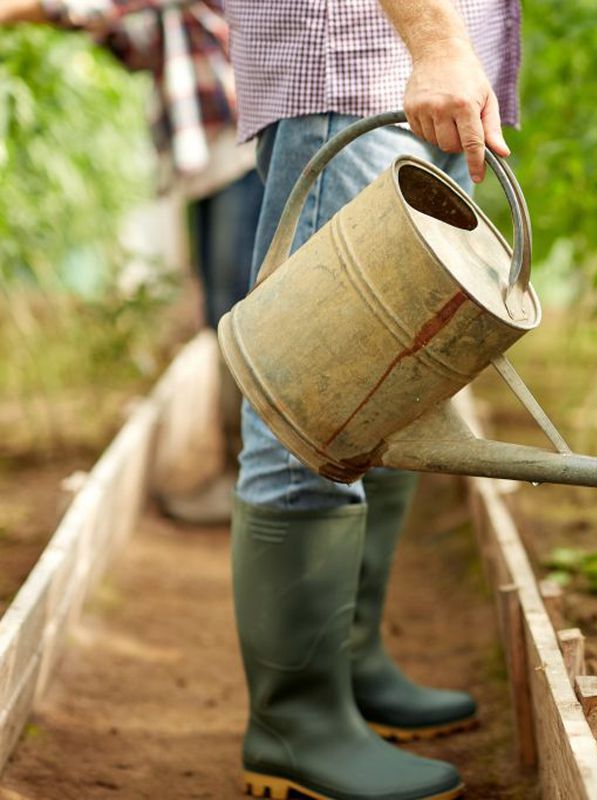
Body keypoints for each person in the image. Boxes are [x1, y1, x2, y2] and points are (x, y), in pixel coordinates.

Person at [221, 1, 518, 798]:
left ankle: (347, 668)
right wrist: (436, 40)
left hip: (423, 75)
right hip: (356, 65)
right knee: (314, 401)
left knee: (391, 388)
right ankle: (296, 722)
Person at [0, 0, 265, 524]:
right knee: (221, 311)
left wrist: (19, 9)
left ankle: (254, 486)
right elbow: (129, 39)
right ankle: (245, 478)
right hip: (210, 163)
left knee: (242, 310)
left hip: (241, 151)